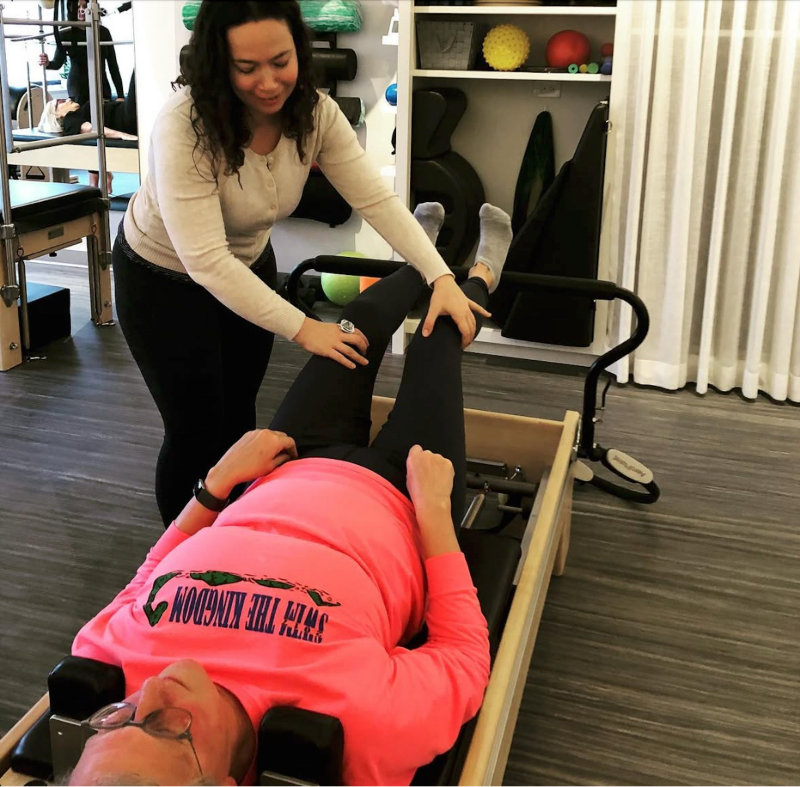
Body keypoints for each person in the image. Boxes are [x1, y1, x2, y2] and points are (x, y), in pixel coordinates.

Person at [66, 203, 513, 787]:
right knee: (438, 339)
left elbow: (144, 581)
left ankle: (418, 256)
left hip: (285, 468)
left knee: (357, 323)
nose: (149, 690)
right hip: (401, 500)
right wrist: (434, 519)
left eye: (118, 719)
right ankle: (482, 274)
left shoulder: (104, 661)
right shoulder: (359, 728)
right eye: (163, 727)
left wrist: (214, 488)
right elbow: (463, 659)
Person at [112, 0, 491, 529]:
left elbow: (375, 199)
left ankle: (234, 535)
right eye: (247, 68)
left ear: (299, 51)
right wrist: (305, 328)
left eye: (281, 61)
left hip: (247, 264)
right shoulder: (184, 127)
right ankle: (179, 555)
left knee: (240, 420)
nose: (269, 83)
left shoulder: (313, 112)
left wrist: (441, 276)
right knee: (195, 429)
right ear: (217, 64)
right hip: (165, 281)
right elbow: (207, 261)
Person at [39, 0, 125, 106]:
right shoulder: (65, 32)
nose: (81, 10)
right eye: (77, 7)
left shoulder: (103, 32)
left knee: (104, 115)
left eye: (85, 6)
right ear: (71, 9)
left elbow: (113, 65)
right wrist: (47, 63)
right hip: (78, 89)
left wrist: (120, 95)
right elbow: (57, 63)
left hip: (101, 86)